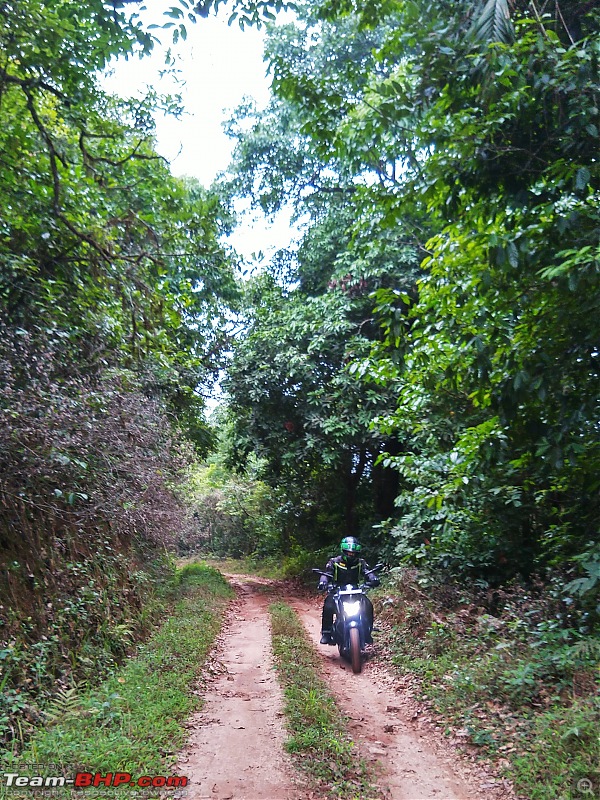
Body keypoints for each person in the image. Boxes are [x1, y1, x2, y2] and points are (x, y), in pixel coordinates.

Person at [318, 536, 380, 645]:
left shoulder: (360, 562)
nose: (351, 554)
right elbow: (327, 574)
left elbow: (367, 572)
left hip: (355, 590)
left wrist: (373, 578)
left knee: (368, 605)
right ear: (343, 551)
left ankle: (368, 631)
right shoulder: (334, 562)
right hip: (337, 590)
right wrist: (323, 582)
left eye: (354, 553)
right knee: (328, 605)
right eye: (349, 552)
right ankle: (326, 633)